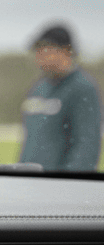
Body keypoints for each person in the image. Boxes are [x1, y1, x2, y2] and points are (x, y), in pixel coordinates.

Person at [19, 24, 101, 171]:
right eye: (38, 52)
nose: (40, 57)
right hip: (31, 183)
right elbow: (31, 140)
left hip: (60, 186)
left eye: (46, 51)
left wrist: (67, 184)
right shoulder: (38, 88)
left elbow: (87, 145)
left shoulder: (83, 89)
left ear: (66, 51)